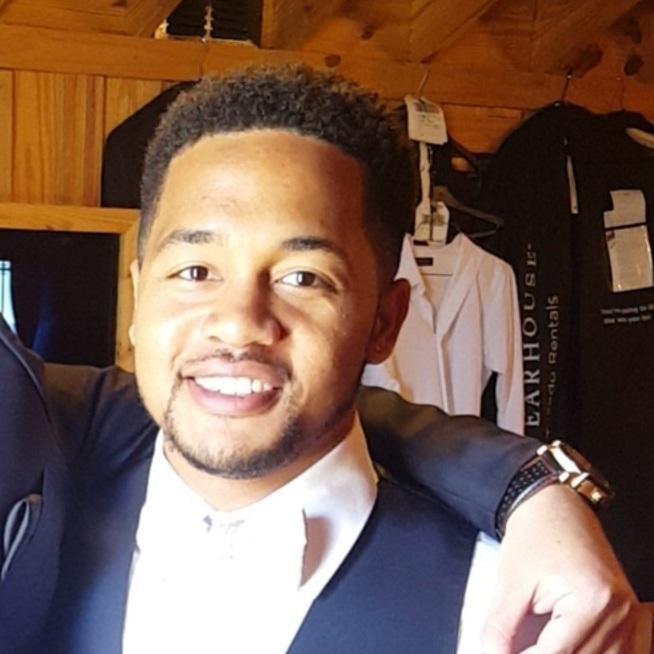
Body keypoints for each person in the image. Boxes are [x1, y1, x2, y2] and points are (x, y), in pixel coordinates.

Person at [2, 66, 646, 653]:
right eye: (195, 271)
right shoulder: (53, 495)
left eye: (303, 278)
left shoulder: (506, 608)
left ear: (384, 322)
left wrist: (530, 483)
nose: (238, 321)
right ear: (140, 297)